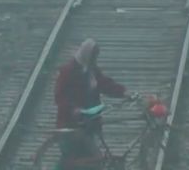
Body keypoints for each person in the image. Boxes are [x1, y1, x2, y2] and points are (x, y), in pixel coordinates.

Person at [53, 38, 131, 167]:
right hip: (72, 122)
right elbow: (60, 96)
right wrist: (73, 109)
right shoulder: (67, 71)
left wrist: (123, 92)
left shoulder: (91, 69)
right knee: (75, 158)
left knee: (85, 156)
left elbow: (104, 84)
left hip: (89, 120)